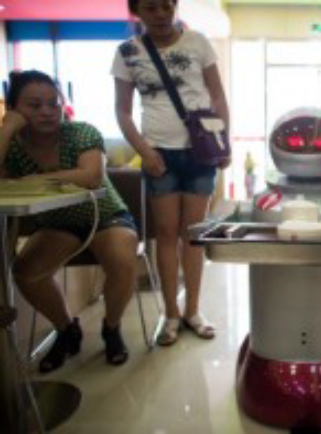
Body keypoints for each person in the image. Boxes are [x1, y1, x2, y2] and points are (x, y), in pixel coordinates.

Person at [0, 70, 139, 372]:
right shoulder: (11, 145)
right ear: (14, 109)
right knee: (26, 272)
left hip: (104, 215)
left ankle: (111, 327)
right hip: (58, 223)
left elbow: (91, 177)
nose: (47, 111)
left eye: (53, 103)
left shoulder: (81, 132)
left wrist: (35, 179)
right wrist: (6, 129)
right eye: (34, 105)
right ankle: (66, 328)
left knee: (122, 258)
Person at [113, 0, 231, 346]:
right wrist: (144, 152)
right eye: (151, 8)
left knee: (193, 235)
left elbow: (219, 98)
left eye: (167, 6)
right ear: (137, 12)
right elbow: (122, 111)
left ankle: (193, 310)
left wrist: (223, 143)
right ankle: (170, 314)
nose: (161, 14)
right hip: (158, 155)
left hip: (201, 151)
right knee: (165, 234)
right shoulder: (127, 52)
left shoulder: (198, 42)